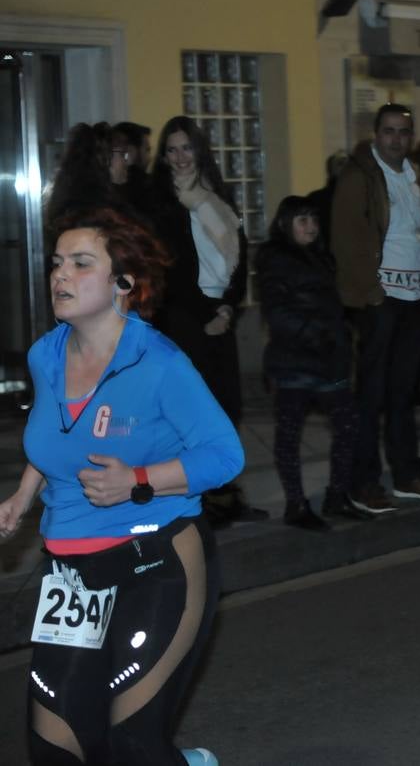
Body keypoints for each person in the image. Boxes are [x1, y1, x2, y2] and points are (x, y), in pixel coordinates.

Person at [0, 206, 242, 766]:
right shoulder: (46, 353)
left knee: (132, 744)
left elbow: (225, 455)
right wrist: (23, 493)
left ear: (123, 285)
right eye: (57, 263)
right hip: (72, 580)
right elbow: (58, 432)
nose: (61, 275)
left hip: (156, 564)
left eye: (81, 264)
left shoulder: (158, 363)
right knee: (55, 749)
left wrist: (136, 480)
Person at [331, 103, 420, 513]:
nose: (396, 138)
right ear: (375, 134)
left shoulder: (415, 175)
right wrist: (371, 292)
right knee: (371, 395)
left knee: (402, 393)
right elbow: (345, 240)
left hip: (416, 298)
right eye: (388, 131)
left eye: (403, 131)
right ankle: (362, 480)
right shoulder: (359, 177)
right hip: (381, 300)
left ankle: (407, 473)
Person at [150, 115, 263, 526]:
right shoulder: (162, 201)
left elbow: (240, 256)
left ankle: (225, 494)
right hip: (185, 319)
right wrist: (207, 314)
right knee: (190, 414)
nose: (180, 157)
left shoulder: (216, 196)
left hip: (221, 314)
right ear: (164, 157)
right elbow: (170, 268)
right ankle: (196, 502)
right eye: (172, 149)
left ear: (200, 149)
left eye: (186, 147)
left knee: (227, 408)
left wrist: (229, 307)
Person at [257, 195, 371, 530]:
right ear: (285, 224)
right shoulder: (276, 259)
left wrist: (342, 333)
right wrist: (316, 333)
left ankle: (337, 495)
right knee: (290, 433)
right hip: (295, 361)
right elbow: (276, 312)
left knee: (347, 425)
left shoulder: (322, 258)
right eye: (302, 220)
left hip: (329, 360)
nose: (311, 226)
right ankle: (296, 503)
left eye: (314, 220)